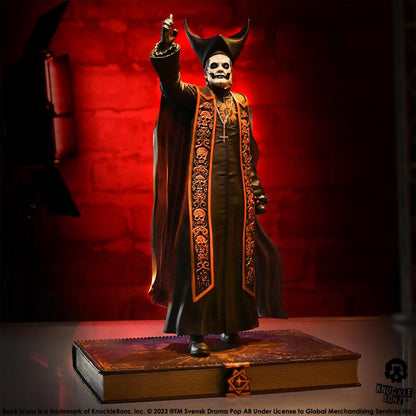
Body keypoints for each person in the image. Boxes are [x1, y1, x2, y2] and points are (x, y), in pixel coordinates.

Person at [149, 15, 286, 357]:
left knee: (234, 262)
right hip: (201, 198)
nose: (221, 70)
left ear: (232, 71)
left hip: (237, 198)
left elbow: (248, 151)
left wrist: (256, 190)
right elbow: (171, 87)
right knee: (199, 263)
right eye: (215, 66)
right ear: (206, 72)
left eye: (226, 65)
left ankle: (231, 324)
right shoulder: (195, 98)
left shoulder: (241, 103)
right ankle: (195, 333)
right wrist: (167, 47)